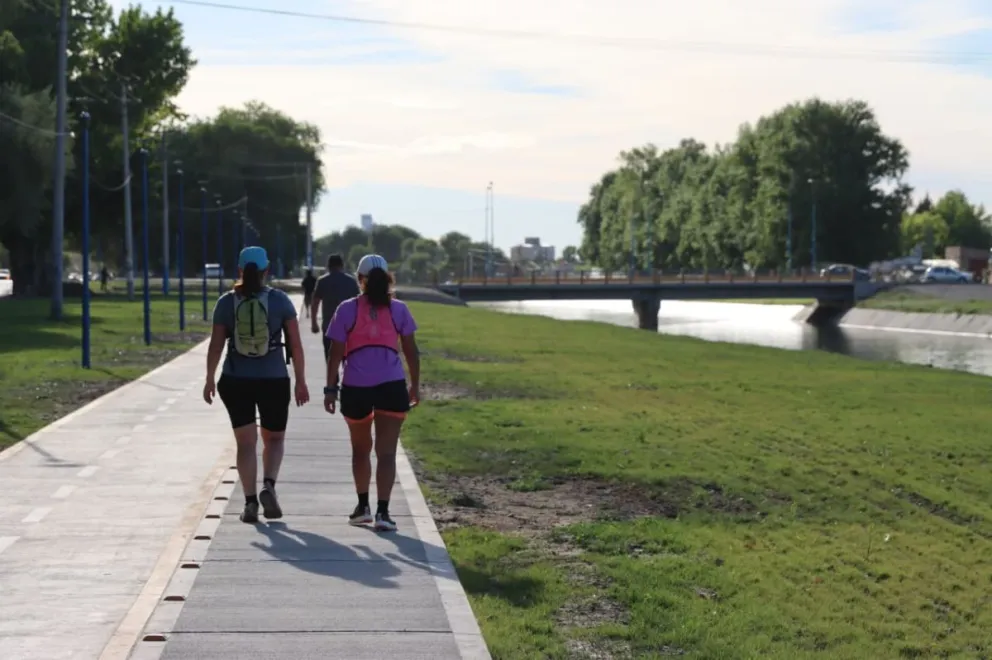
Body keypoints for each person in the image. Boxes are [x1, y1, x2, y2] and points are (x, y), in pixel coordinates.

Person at [203, 246, 310, 523]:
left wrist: (209, 379)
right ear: (267, 270)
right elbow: (296, 346)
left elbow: (216, 346)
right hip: (273, 379)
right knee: (274, 438)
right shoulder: (280, 301)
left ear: (239, 270)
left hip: (235, 379)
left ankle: (250, 502)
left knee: (245, 443)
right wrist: (301, 381)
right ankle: (269, 486)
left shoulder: (226, 302)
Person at [323, 254, 420, 532]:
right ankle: (383, 512)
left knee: (360, 450)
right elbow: (412, 352)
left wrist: (330, 389)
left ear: (359, 280)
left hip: (356, 387)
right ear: (388, 278)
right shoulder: (399, 309)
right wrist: (414, 385)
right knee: (386, 453)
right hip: (392, 385)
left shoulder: (347, 309)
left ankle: (362, 507)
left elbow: (335, 354)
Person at [311, 253, 360, 362]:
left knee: (330, 359)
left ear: (328, 265)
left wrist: (314, 323)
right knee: (347, 361)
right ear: (342, 265)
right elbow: (359, 303)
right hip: (348, 328)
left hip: (329, 326)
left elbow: (315, 303)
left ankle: (332, 378)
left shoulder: (322, 281)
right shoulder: (351, 281)